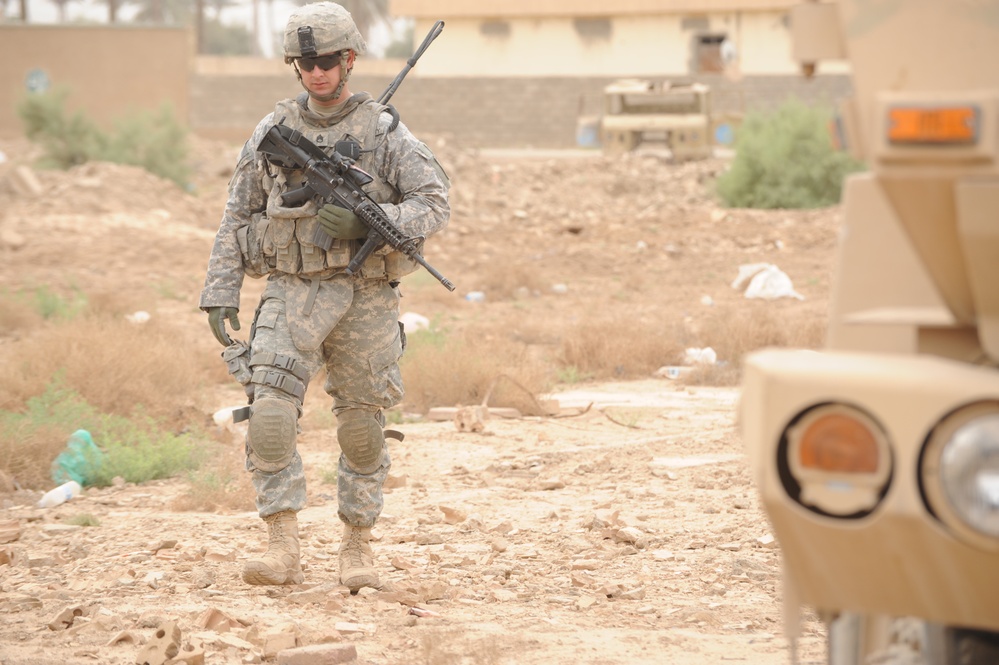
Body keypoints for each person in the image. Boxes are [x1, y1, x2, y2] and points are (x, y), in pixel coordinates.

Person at [199, 1, 450, 592]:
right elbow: (237, 214)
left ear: (350, 60)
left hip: (363, 296)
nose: (318, 72)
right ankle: (281, 545)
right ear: (295, 65)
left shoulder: (384, 131)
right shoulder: (273, 131)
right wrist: (220, 289)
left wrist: (371, 222)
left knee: (362, 427)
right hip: (290, 291)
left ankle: (357, 547)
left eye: (329, 61)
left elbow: (434, 203)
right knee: (269, 418)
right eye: (306, 62)